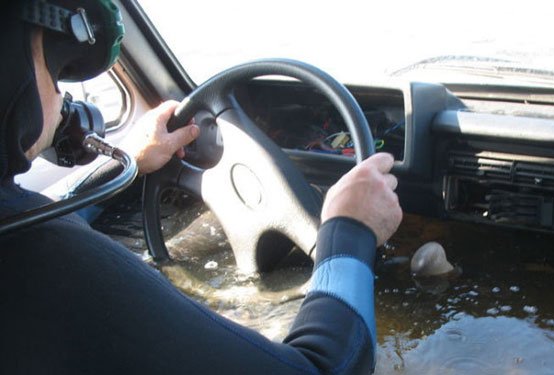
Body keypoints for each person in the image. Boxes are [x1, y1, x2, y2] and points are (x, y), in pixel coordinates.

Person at [0, 1, 402, 374]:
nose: (59, 91)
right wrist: (348, 229)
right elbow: (326, 366)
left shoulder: (23, 231)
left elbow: (48, 208)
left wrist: (130, 162)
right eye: (54, 67)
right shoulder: (39, 257)